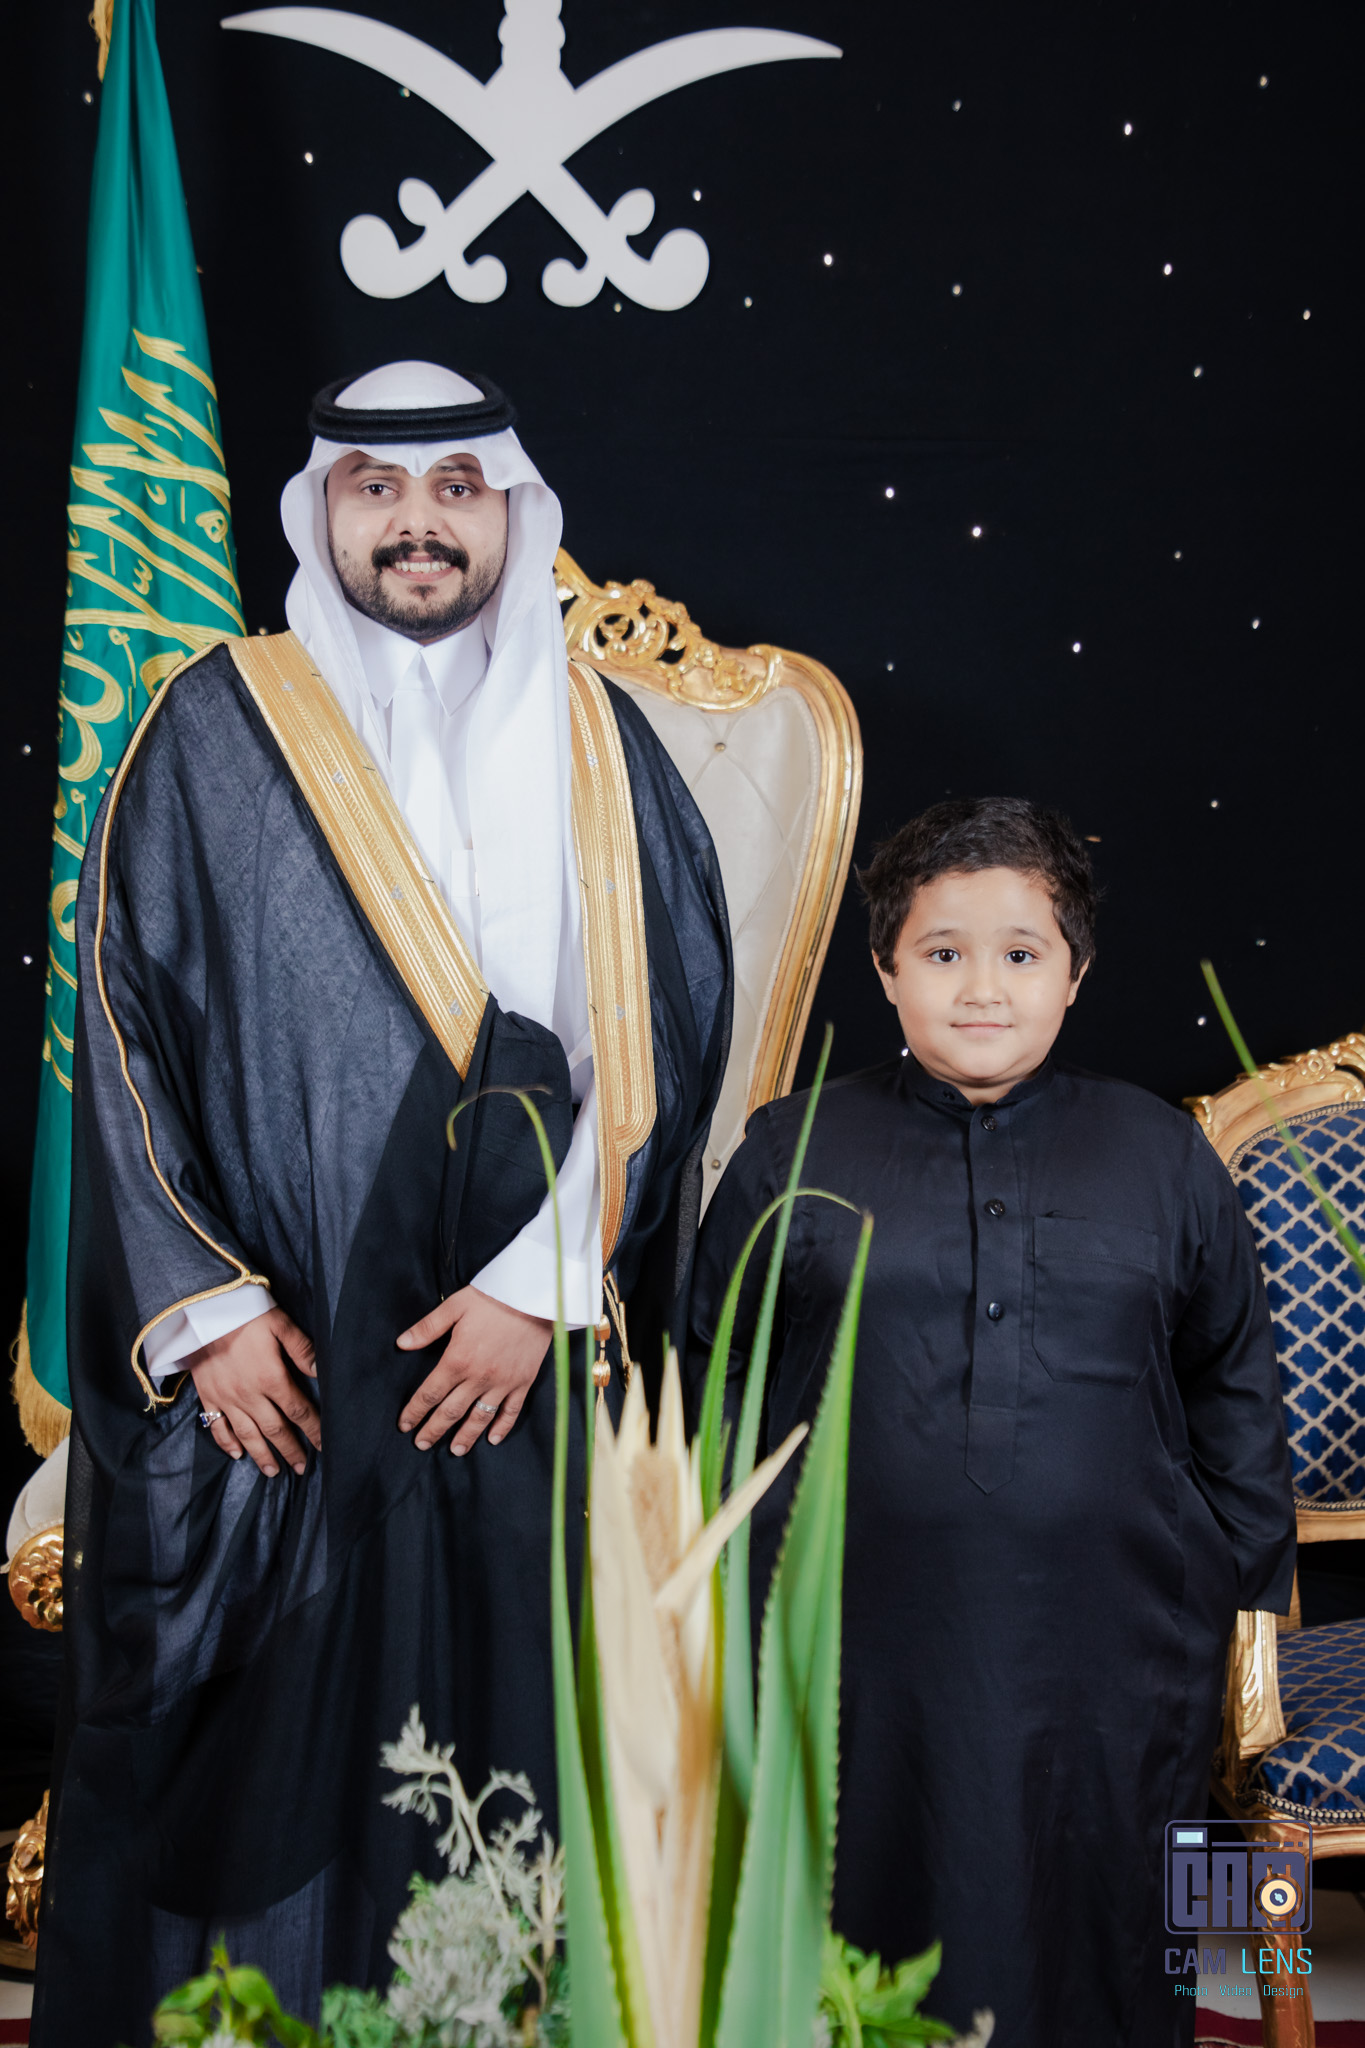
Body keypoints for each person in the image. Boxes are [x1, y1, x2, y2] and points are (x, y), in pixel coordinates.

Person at [34, 362, 730, 2040]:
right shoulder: (214, 725)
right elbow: (119, 1023)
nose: (417, 522)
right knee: (265, 1753)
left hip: (528, 1353)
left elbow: (668, 1032)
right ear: (324, 509)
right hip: (276, 1352)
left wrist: (540, 1289)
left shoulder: (604, 745)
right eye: (376, 487)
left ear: (510, 507)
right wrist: (206, 1310)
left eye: (454, 487)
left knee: (510, 1732)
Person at [687, 795, 1294, 2048]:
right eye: (942, 951)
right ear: (884, 967)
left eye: (1021, 952)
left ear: (1075, 971)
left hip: (1123, 1642)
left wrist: (1236, 1595)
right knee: (863, 1925)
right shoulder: (790, 1149)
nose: (982, 988)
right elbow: (713, 1381)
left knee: (1135, 1925)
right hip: (845, 1640)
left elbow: (1233, 1380)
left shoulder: (1164, 1155)